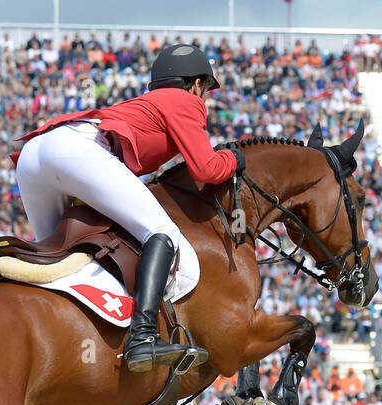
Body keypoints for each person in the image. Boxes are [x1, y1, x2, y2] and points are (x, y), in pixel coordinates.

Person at [12, 44, 241, 371]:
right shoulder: (186, 101)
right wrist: (235, 158)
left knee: (56, 263)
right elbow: (206, 170)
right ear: (195, 84)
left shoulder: (146, 103)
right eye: (205, 89)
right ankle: (143, 338)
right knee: (162, 233)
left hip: (36, 154)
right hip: (76, 150)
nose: (204, 97)